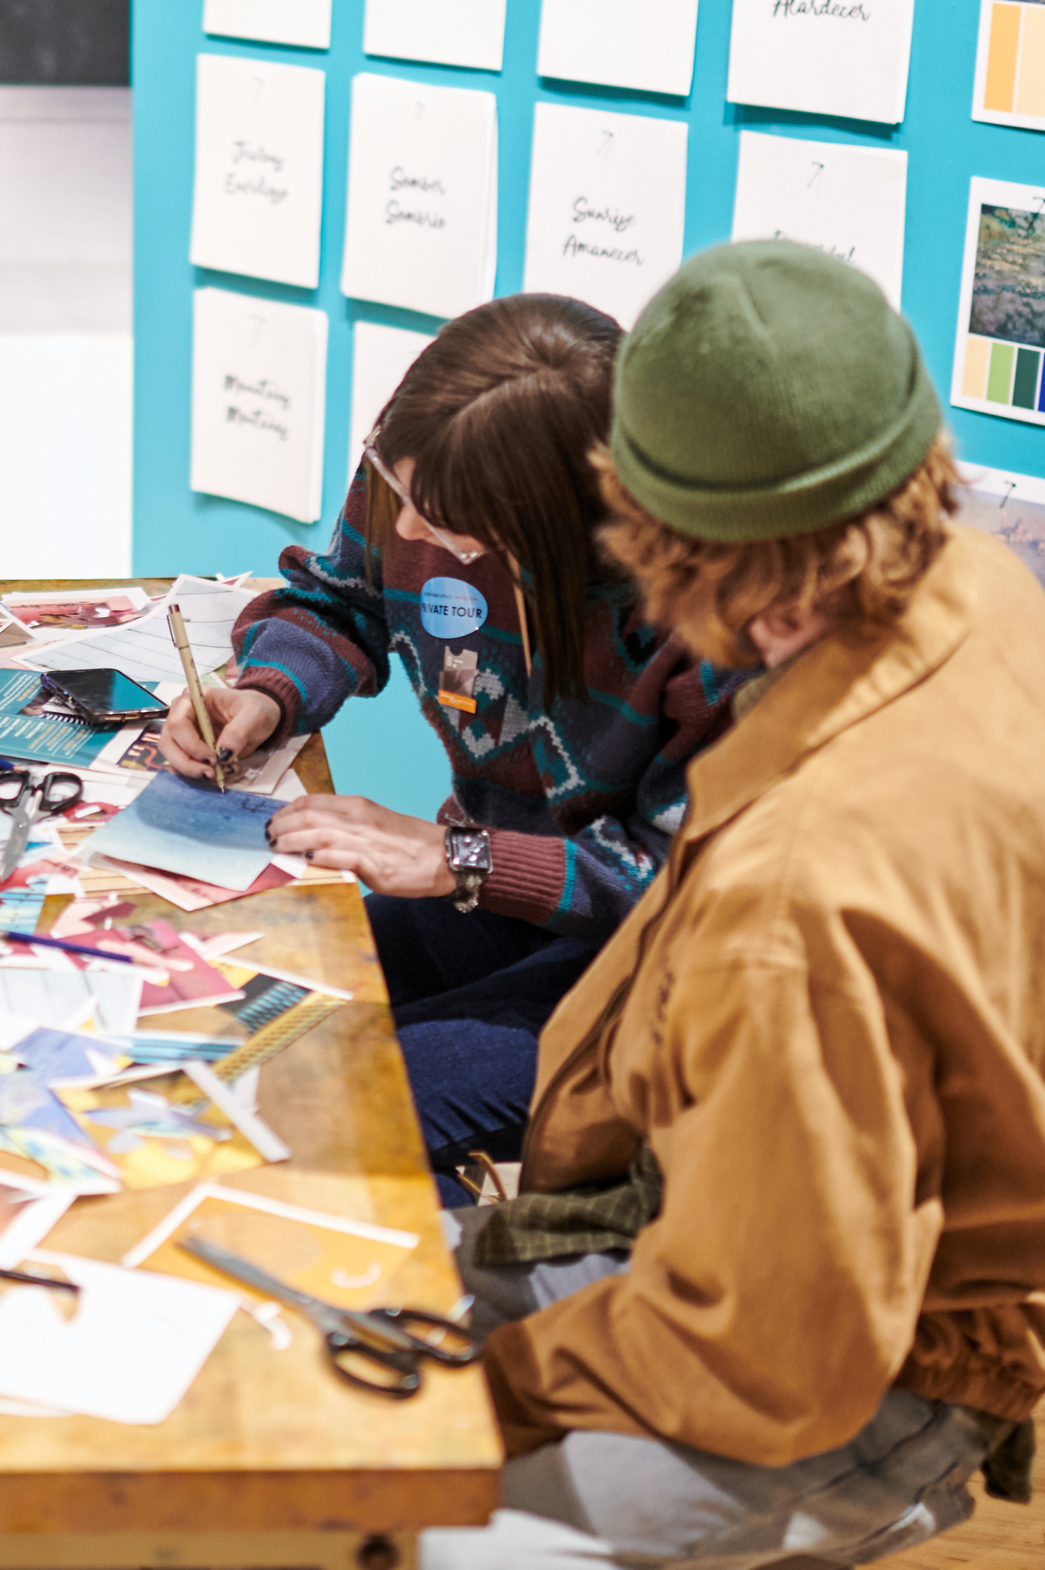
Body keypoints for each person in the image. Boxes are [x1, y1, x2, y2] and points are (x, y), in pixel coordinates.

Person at [424, 242, 1045, 1570]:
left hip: (855, 1369)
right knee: (342, 1291)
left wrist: (485, 1398)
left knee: (418, 1531)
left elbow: (768, 1349)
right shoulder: (975, 587)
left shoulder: (801, 895)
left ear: (659, 538)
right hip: (721, 1224)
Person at [160, 293, 743, 1206]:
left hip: (653, 969)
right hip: (495, 897)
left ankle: (448, 1281)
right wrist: (269, 693)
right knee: (227, 1026)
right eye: (401, 496)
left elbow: (685, 883)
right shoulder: (426, 472)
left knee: (333, 1109)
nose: (407, 533)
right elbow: (344, 600)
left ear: (557, 520)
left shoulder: (703, 616)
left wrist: (459, 859)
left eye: (445, 523)